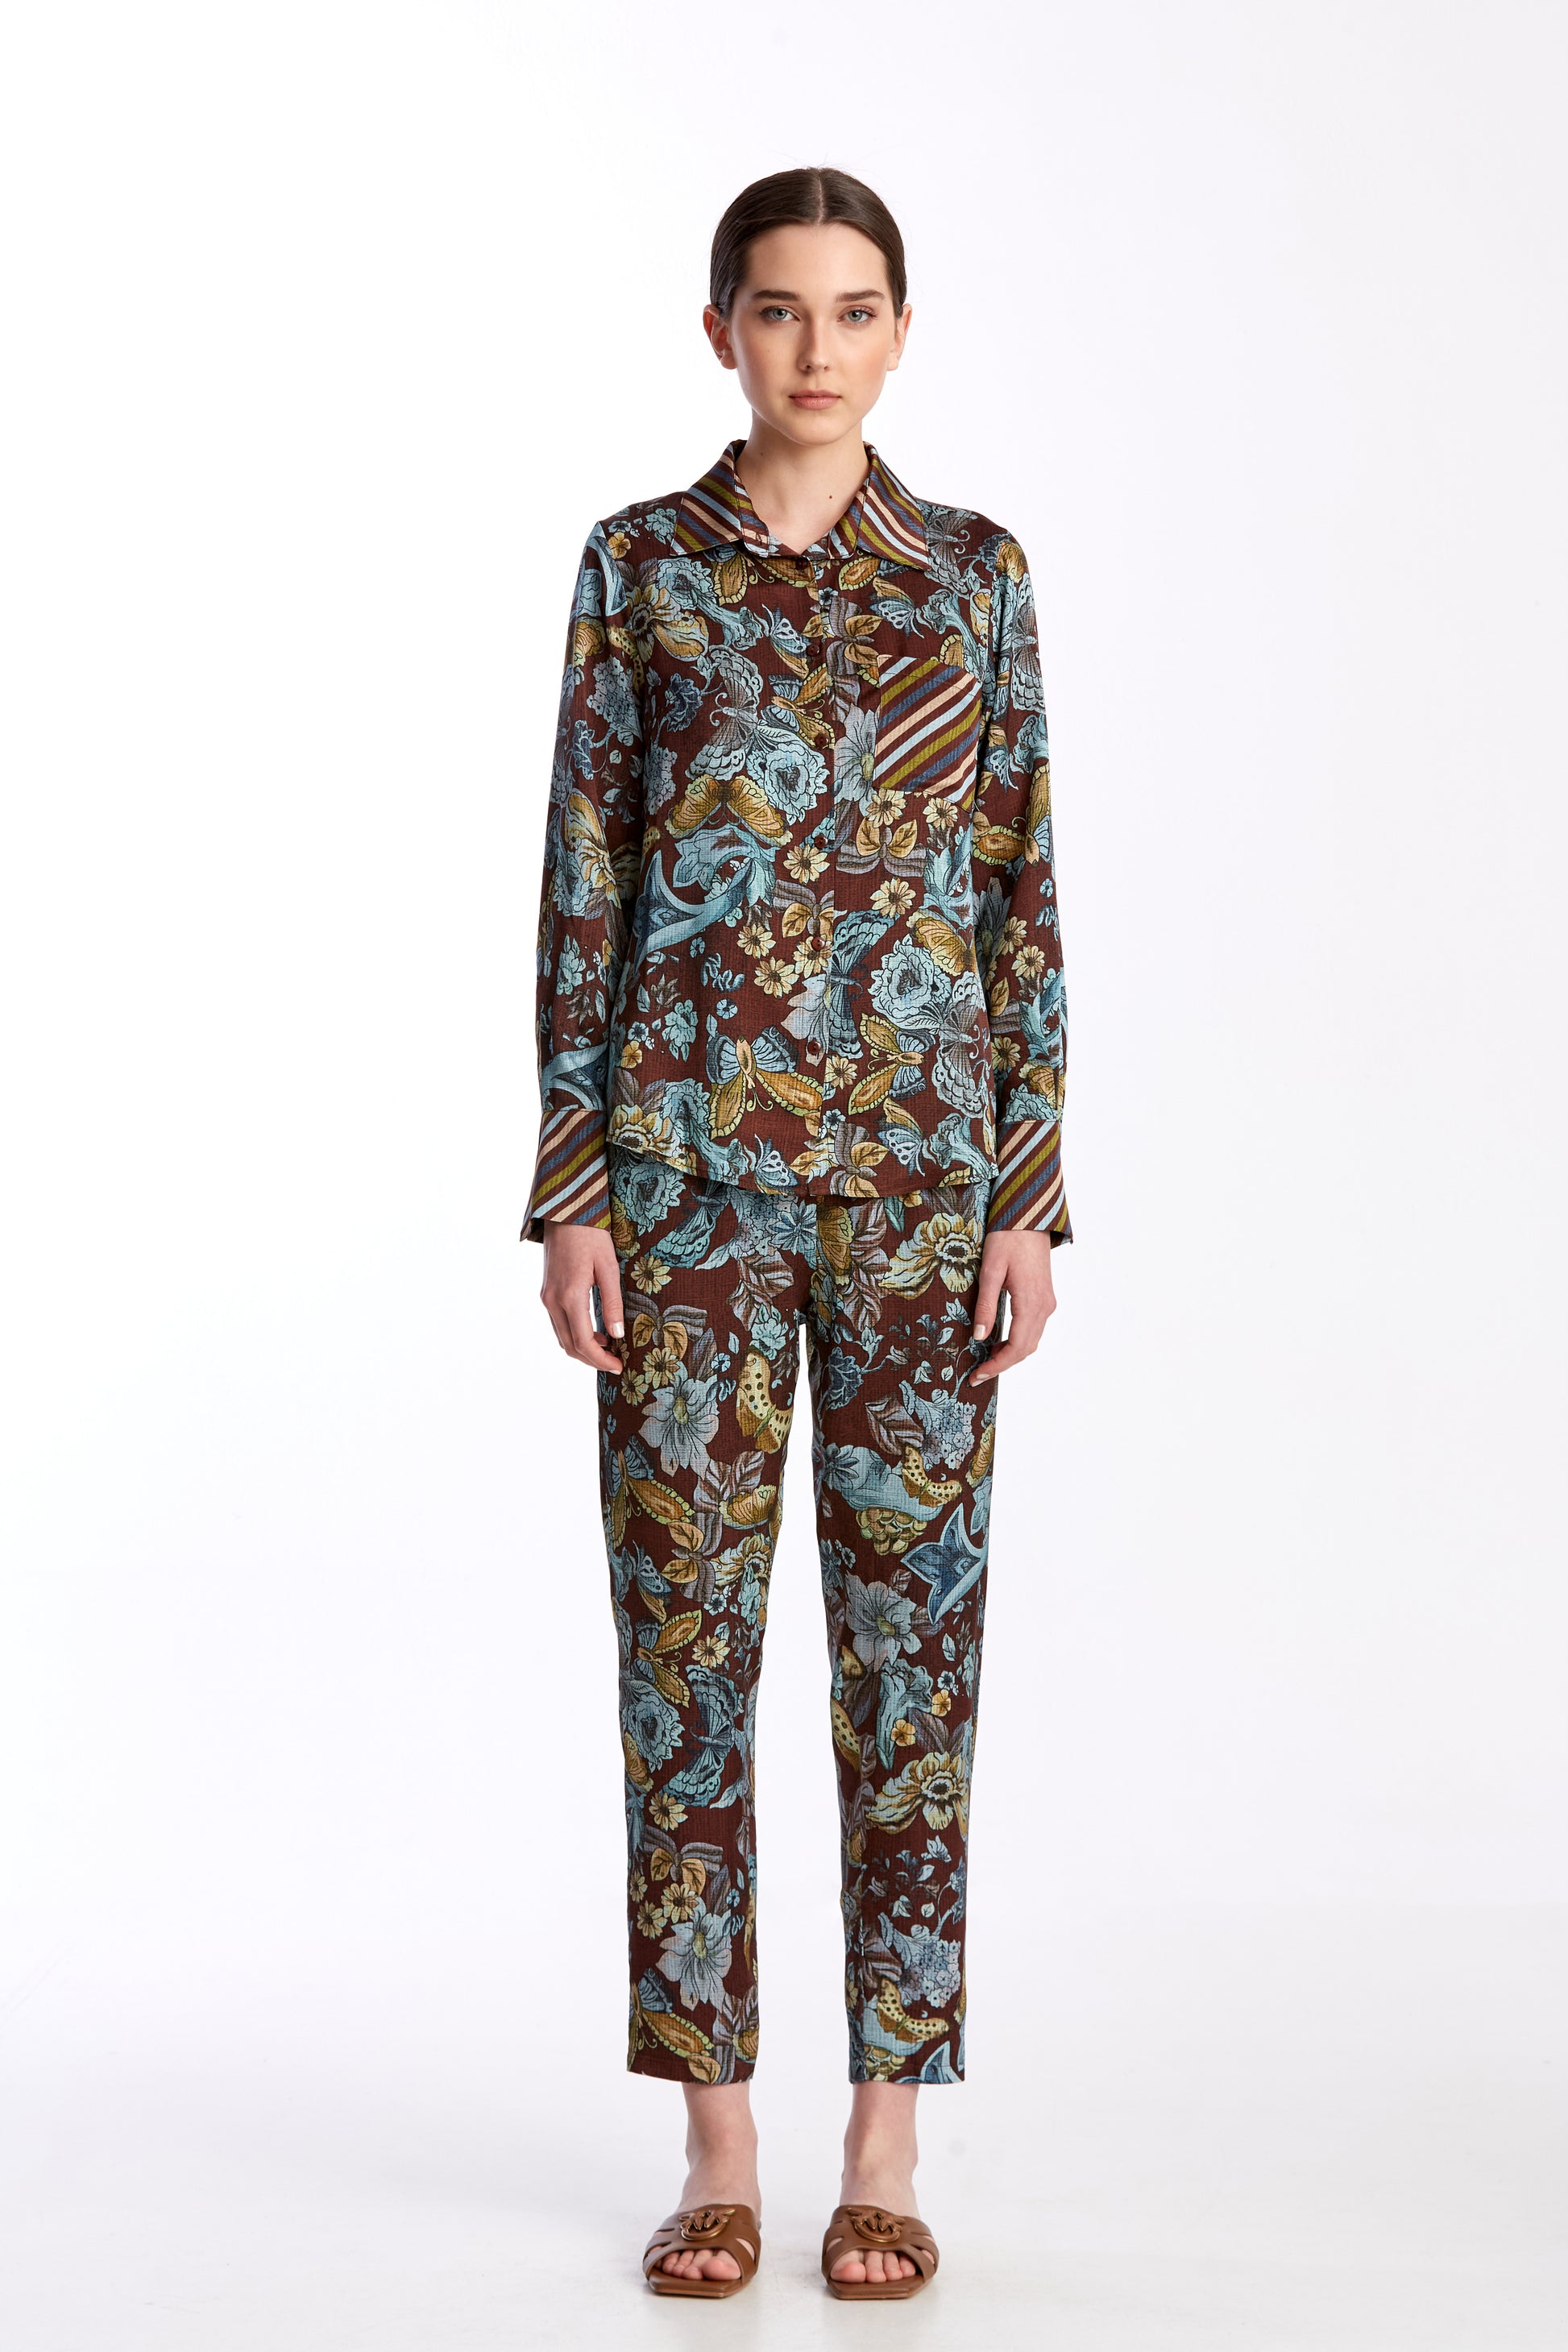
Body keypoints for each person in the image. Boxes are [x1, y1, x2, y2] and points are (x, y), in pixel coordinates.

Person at [522, 165, 1072, 2300]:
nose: (816, 347)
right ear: (720, 332)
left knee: (910, 1661)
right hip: (685, 1192)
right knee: (685, 1656)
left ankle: (887, 2139)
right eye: (778, 309)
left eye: (853, 310)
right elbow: (584, 879)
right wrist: (575, 1187)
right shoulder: (639, 570)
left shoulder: (973, 577)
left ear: (900, 332)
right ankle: (718, 2139)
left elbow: (1018, 892)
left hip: (926, 1196)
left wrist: (1027, 1195)